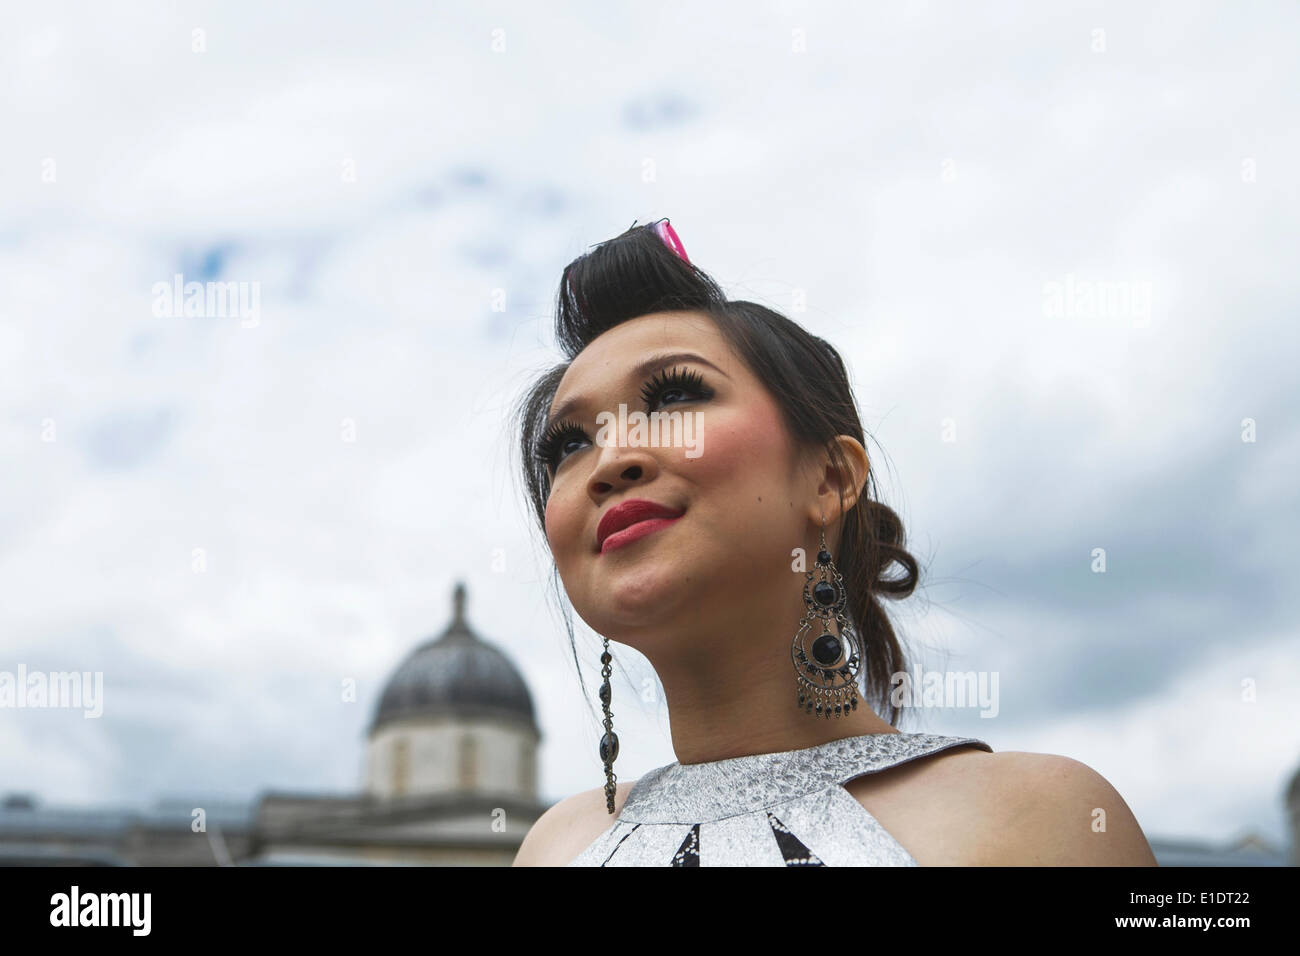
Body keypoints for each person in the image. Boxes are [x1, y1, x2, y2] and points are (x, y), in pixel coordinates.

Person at [510, 219, 1156, 866]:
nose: (609, 460)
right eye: (569, 443)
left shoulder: (1043, 821)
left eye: (677, 394)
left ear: (831, 477)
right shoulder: (553, 848)